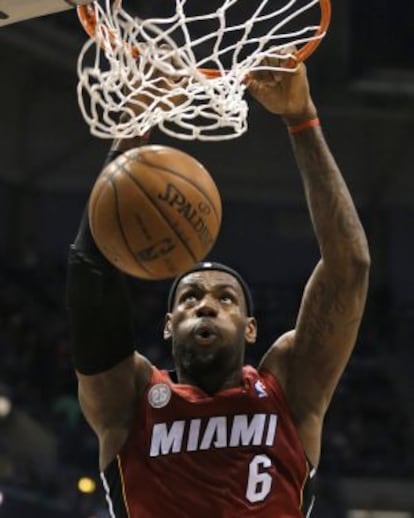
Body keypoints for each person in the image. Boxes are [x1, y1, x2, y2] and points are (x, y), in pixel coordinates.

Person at [66, 54, 370, 517]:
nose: (205, 306)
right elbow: (89, 278)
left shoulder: (288, 385)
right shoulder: (130, 400)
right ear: (168, 326)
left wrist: (302, 120)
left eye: (225, 298)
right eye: (190, 298)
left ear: (251, 328)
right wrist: (135, 125)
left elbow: (349, 267)